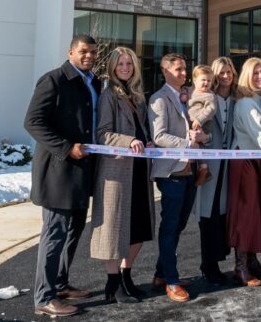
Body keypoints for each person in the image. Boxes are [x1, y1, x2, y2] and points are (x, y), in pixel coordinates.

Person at [24, 35, 101, 318]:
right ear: (71, 52)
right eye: (83, 52)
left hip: (83, 172)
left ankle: (60, 284)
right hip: (58, 172)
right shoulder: (54, 80)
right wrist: (67, 148)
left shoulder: (94, 82)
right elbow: (33, 122)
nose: (89, 56)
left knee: (73, 231)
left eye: (93, 52)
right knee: (54, 235)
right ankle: (44, 297)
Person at [90, 47, 156, 304]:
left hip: (139, 170)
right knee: (114, 228)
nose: (125, 67)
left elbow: (143, 130)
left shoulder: (138, 96)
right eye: (121, 64)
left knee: (139, 227)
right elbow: (103, 133)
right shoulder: (108, 95)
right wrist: (129, 141)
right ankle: (112, 283)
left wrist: (147, 142)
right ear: (113, 67)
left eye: (129, 63)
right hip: (117, 172)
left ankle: (126, 276)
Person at [147, 53, 206, 302]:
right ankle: (171, 281)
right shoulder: (158, 99)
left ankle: (162, 274)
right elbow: (159, 136)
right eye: (179, 69)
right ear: (165, 71)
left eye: (185, 69)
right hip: (171, 172)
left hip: (189, 172)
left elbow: (197, 130)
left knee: (179, 225)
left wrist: (201, 136)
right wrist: (188, 142)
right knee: (170, 226)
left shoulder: (187, 98)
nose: (184, 73)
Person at [229, 58, 261, 287]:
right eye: (256, 72)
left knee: (253, 213)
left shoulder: (259, 98)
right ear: (247, 75)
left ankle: (252, 261)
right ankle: (240, 267)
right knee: (244, 216)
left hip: (256, 162)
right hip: (245, 163)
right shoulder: (247, 103)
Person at [197, 57, 237, 284]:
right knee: (208, 215)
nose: (225, 76)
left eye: (228, 72)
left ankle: (215, 261)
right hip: (208, 164)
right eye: (220, 73)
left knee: (221, 214)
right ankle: (208, 265)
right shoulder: (205, 98)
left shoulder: (236, 98)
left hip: (228, 164)